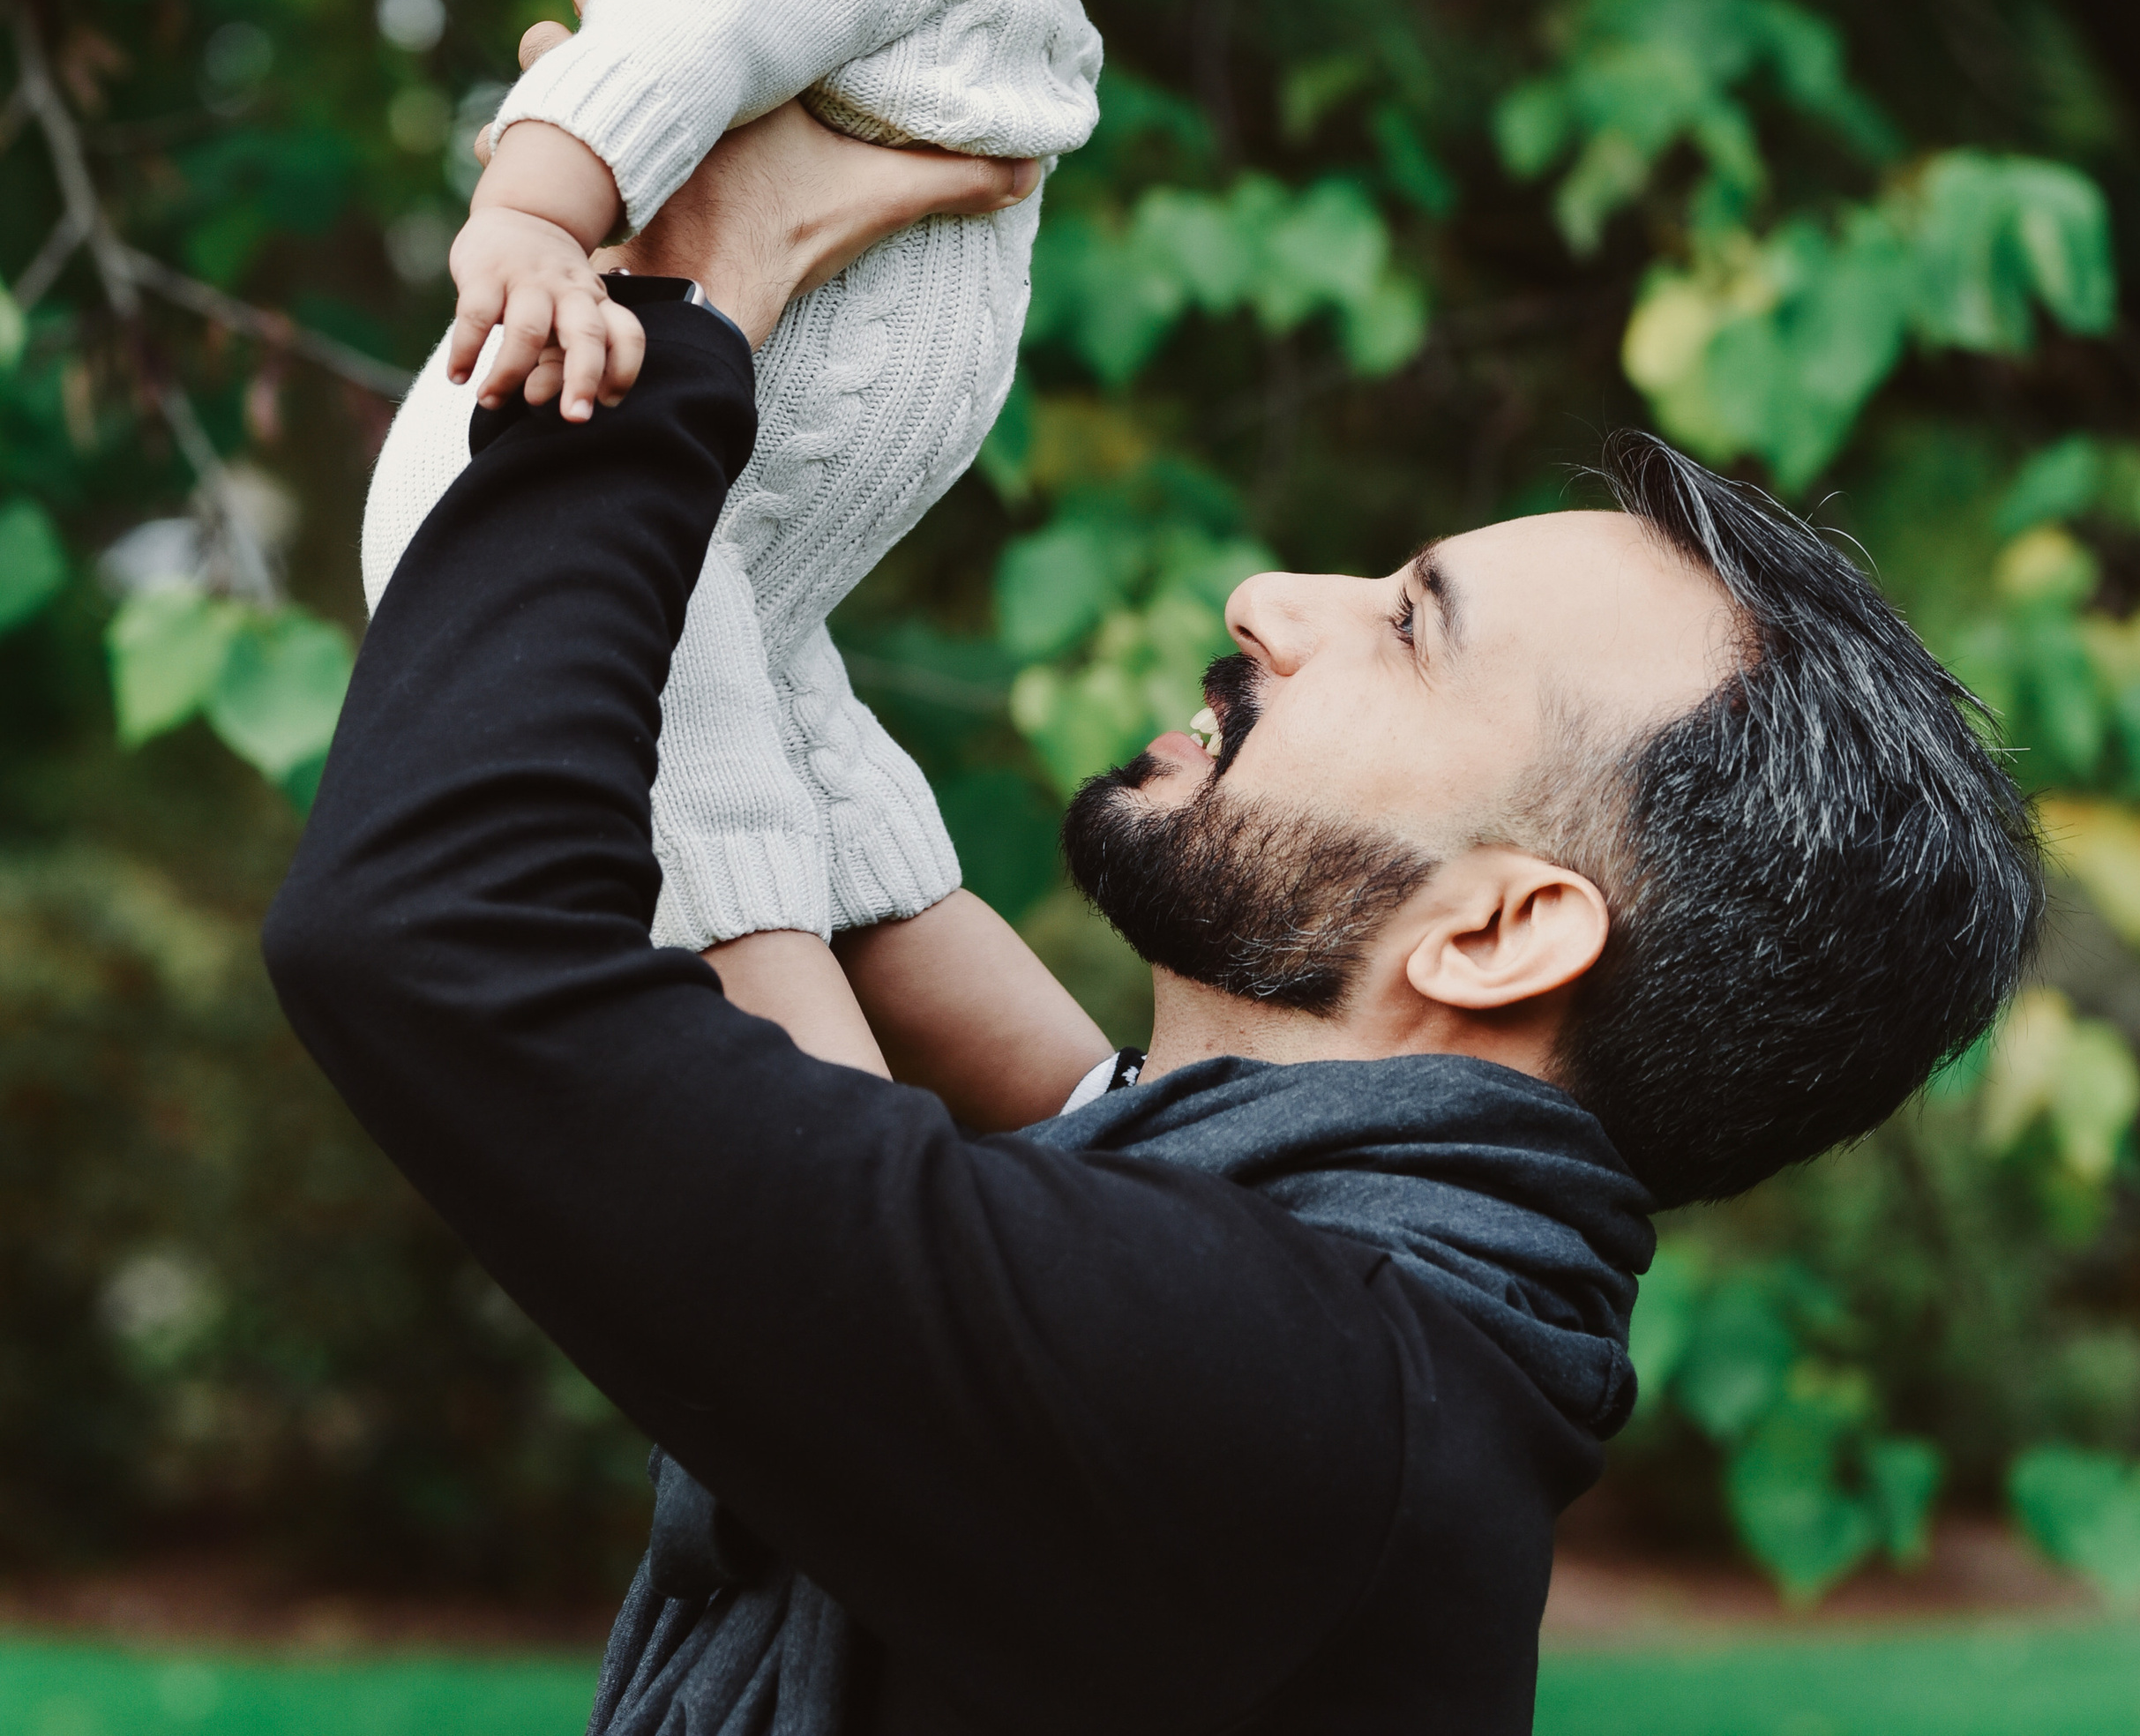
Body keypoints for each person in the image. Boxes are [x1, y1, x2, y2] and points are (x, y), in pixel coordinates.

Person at [266, 99, 2043, 1736]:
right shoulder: (1382, 1358)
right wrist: (709, 202)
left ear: (1499, 937)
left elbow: (437, 939)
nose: (1273, 599)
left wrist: (682, 302)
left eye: (1409, 629)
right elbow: (846, 960)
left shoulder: (1271, 1409)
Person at [358, 0, 1243, 1104]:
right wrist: (533, 223)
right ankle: (841, 1155)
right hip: (591, 461)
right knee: (750, 860)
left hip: (755, 568)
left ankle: (1116, 1127)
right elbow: (661, 41)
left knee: (873, 849)